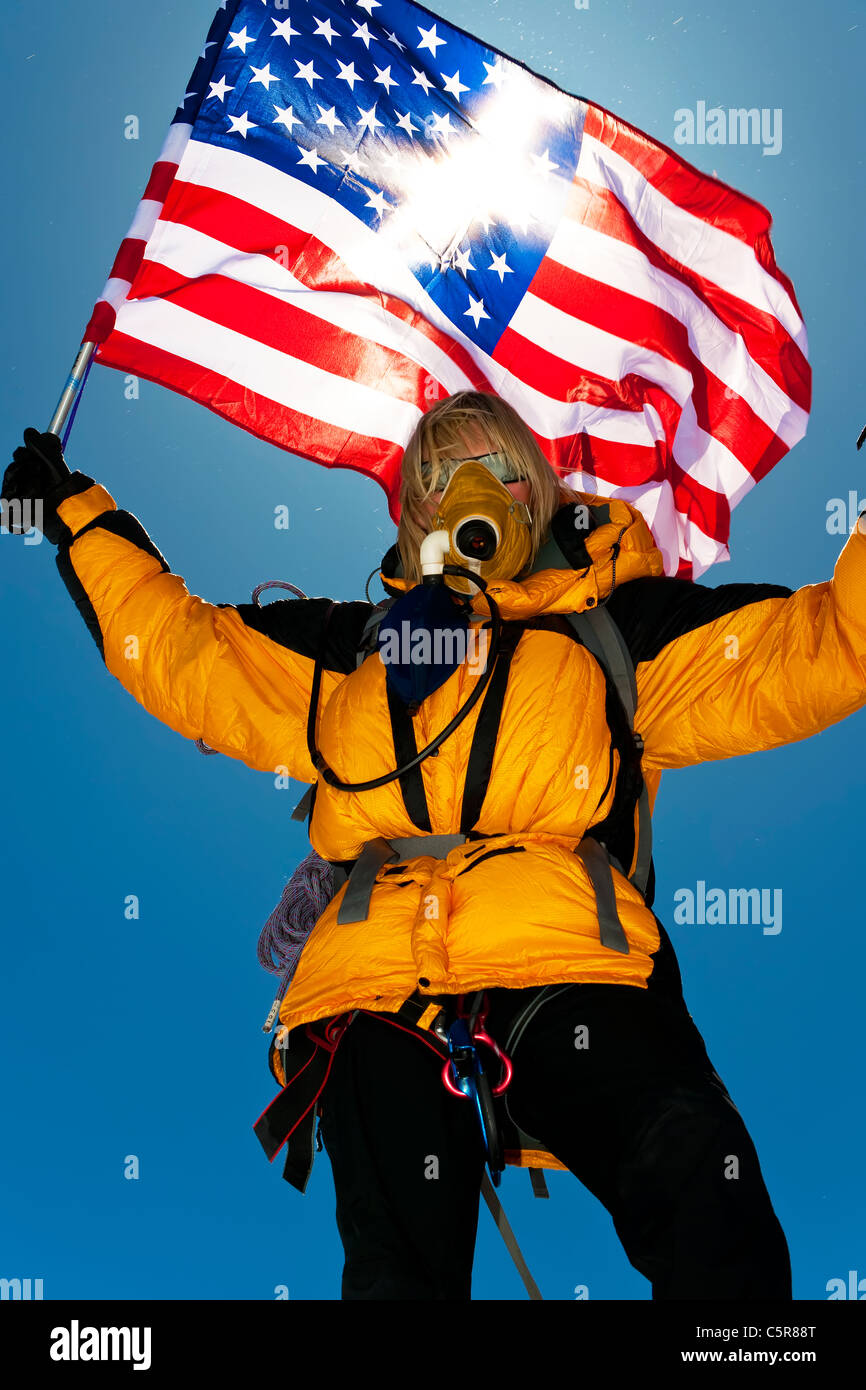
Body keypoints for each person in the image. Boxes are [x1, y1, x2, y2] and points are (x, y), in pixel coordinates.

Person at [4, 391, 866, 1302]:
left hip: (570, 961)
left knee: (697, 1178)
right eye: (437, 477)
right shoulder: (358, 649)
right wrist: (79, 519)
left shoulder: (620, 631)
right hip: (373, 988)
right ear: (416, 515)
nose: (467, 492)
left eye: (491, 467)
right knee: (394, 1277)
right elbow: (187, 652)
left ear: (531, 491)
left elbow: (828, 644)